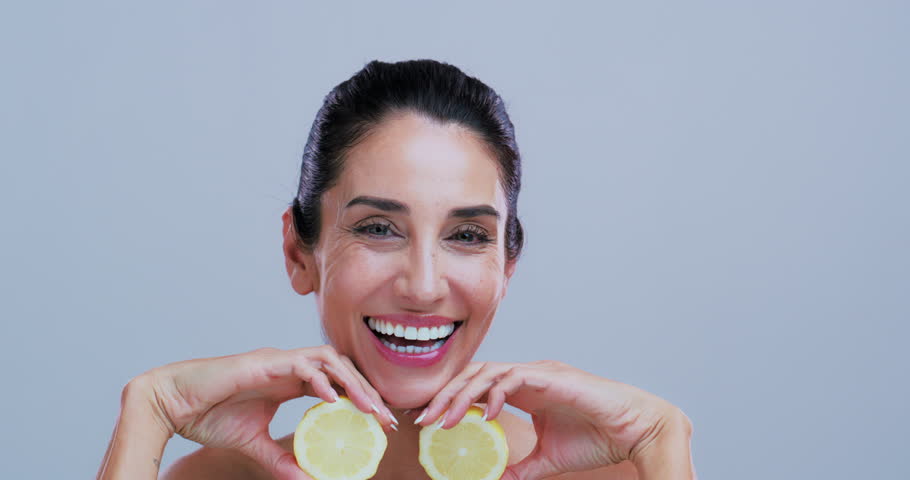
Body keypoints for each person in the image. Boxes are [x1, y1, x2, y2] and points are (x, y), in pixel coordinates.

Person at [96, 59, 696, 480]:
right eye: (378, 229)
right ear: (298, 253)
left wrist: (662, 442)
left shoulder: (614, 474)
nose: (424, 286)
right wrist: (151, 408)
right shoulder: (220, 478)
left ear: (507, 266)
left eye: (467, 236)